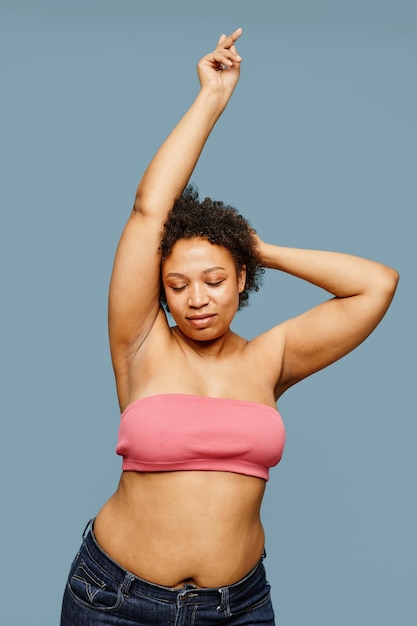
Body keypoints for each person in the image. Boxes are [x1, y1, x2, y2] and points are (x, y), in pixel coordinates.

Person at [60, 28, 398, 626]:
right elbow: (149, 209)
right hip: (115, 600)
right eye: (177, 284)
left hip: (238, 606)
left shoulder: (273, 357)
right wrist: (212, 97)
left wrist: (259, 248)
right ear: (157, 289)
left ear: (242, 279)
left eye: (215, 280)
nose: (196, 299)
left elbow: (377, 284)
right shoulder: (140, 341)